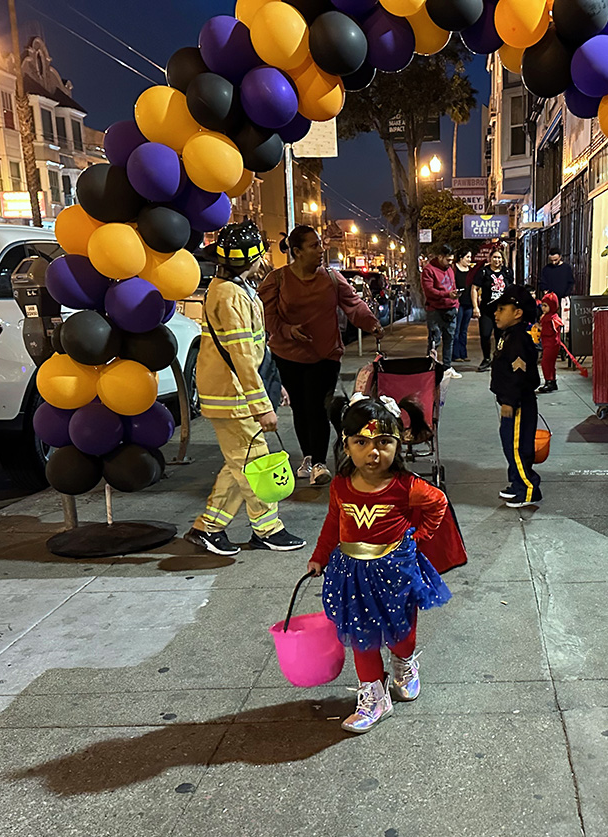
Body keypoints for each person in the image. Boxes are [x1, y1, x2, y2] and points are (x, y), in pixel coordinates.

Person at [309, 395, 465, 733]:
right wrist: (320, 556)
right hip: (351, 574)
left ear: (399, 443)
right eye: (361, 442)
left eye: (383, 442)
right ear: (346, 444)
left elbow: (438, 502)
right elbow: (333, 524)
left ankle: (404, 662)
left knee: (402, 633)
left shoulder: (406, 487)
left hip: (396, 573)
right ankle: (373, 696)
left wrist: (419, 536)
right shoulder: (340, 486)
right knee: (362, 636)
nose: (372, 452)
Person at [184, 220, 306, 555]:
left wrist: (271, 386)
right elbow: (241, 356)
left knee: (239, 462)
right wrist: (261, 404)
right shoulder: (231, 295)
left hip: (233, 391)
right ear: (253, 258)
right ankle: (268, 529)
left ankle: (208, 527)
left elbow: (253, 350)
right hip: (232, 395)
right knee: (254, 464)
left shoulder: (233, 289)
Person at [259, 225, 382, 486]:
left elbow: (353, 305)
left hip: (326, 356)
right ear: (296, 252)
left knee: (318, 407)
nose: (321, 250)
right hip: (288, 355)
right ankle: (308, 458)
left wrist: (372, 323)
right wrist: (288, 330)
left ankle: (319, 463)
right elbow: (266, 316)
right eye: (314, 245)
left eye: (320, 244)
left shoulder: (332, 278)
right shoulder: (277, 280)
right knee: (301, 409)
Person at [490, 285, 542, 507]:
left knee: (518, 447)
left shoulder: (518, 338)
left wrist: (509, 401)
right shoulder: (508, 335)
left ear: (517, 313)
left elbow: (518, 374)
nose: (496, 313)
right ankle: (517, 483)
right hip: (511, 401)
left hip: (518, 403)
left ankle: (528, 489)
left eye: (502, 309)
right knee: (510, 444)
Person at [421, 243, 462, 379]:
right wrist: (447, 294)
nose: (450, 263)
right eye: (448, 260)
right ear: (440, 257)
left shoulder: (450, 269)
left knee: (449, 339)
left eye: (451, 260)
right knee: (434, 340)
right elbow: (429, 291)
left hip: (451, 308)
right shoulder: (429, 270)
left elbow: (453, 285)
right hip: (435, 310)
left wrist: (456, 303)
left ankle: (447, 367)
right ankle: (430, 367)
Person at [473, 248, 509, 372]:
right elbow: (474, 288)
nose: (497, 260)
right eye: (494, 257)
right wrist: (475, 307)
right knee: (485, 334)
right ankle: (486, 358)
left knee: (501, 336)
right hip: (487, 310)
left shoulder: (507, 272)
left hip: (503, 311)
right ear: (490, 258)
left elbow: (511, 289)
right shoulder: (483, 272)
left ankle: (499, 359)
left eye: (499, 257)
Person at [451, 248, 474, 363]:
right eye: (467, 257)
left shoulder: (470, 271)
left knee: (464, 330)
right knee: (457, 329)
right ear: (461, 257)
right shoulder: (454, 269)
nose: (469, 260)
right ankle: (455, 354)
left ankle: (463, 354)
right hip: (458, 303)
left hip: (468, 303)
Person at [538, 291, 562, 394]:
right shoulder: (552, 316)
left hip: (550, 344)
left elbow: (548, 331)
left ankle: (549, 381)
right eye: (542, 305)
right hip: (552, 344)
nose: (543, 308)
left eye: (545, 305)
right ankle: (552, 382)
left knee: (546, 363)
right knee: (551, 364)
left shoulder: (549, 318)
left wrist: (539, 328)